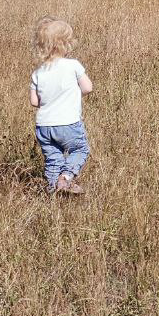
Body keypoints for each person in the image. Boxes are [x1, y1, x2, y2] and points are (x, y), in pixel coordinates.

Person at [30, 17, 94, 194]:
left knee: (53, 159)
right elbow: (88, 88)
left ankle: (53, 193)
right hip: (68, 123)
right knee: (80, 150)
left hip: (43, 125)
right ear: (65, 44)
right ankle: (65, 178)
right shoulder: (73, 66)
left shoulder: (38, 72)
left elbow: (34, 101)